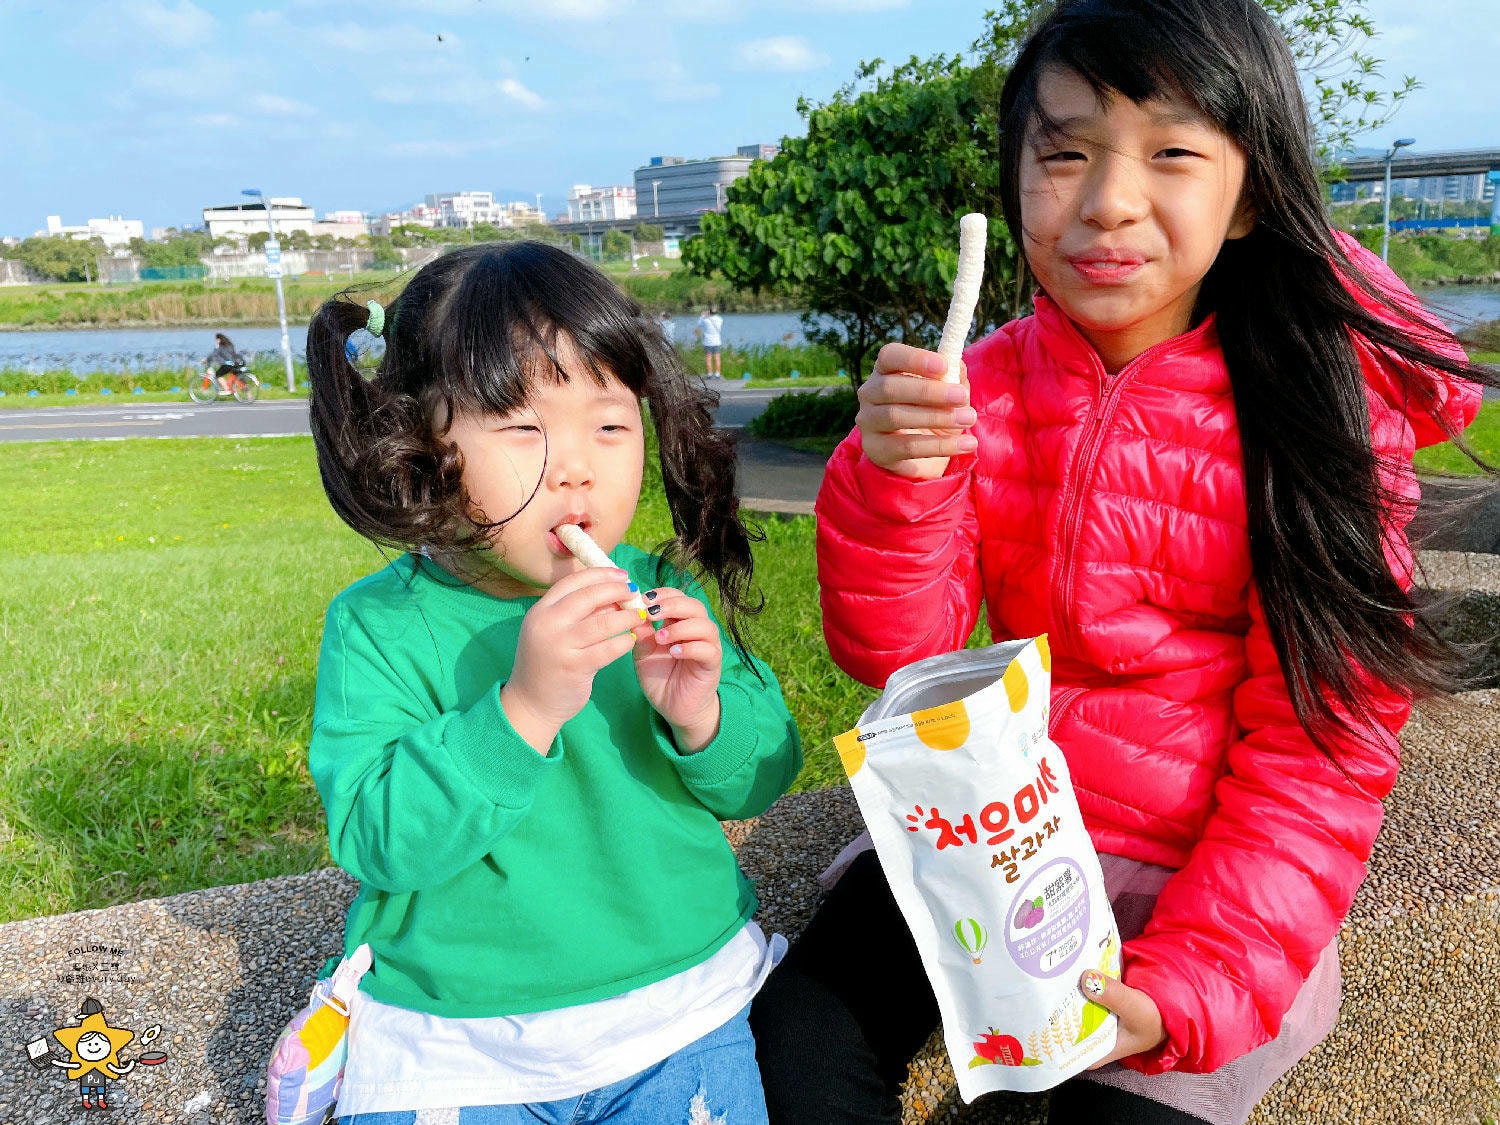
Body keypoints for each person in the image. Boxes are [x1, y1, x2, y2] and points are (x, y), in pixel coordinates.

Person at [752, 2, 1493, 1124]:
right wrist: (898, 484)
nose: (1107, 203)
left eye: (1175, 153)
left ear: (1253, 192)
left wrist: (1193, 980)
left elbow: (1322, 747)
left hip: (1206, 874)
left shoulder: (1317, 411)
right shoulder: (982, 385)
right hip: (994, 828)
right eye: (1063, 153)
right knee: (795, 1044)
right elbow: (897, 657)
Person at [302, 241, 803, 1124]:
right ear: (420, 440)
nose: (577, 466)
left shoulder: (663, 589)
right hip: (454, 1039)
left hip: (676, 1008)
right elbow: (376, 838)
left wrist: (705, 715)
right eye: (523, 428)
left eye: (610, 426)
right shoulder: (378, 625)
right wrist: (521, 709)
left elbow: (765, 771)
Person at [697, 304, 724, 377]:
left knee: (708, 358)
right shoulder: (720, 319)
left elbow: (699, 324)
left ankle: (709, 374)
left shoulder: (705, 320)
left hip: (707, 342)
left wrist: (702, 316)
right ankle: (717, 374)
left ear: (709, 312)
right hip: (717, 341)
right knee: (717, 358)